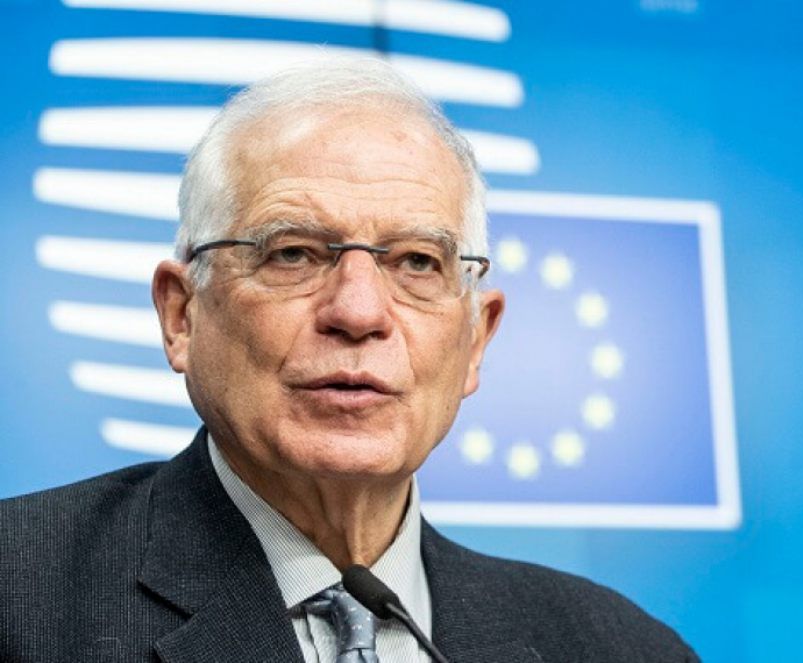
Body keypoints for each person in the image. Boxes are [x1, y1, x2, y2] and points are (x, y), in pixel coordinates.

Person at [0, 58, 697, 663]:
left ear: (475, 340)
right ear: (182, 314)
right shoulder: (19, 594)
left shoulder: (620, 646)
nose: (359, 312)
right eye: (293, 253)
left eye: (417, 262)